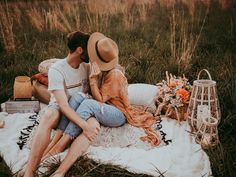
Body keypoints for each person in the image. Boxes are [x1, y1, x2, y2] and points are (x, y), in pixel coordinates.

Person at [49, 32, 161, 177]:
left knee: (88, 104)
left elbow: (101, 100)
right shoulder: (102, 70)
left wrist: (93, 81)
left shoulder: (114, 75)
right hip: (105, 108)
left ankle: (62, 144)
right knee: (77, 97)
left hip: (118, 114)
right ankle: (57, 139)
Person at [21, 31, 101, 177]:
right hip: (60, 109)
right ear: (80, 50)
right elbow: (63, 106)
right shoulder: (57, 70)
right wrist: (84, 126)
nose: (91, 54)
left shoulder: (87, 67)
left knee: (94, 123)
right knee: (49, 115)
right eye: (89, 50)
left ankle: (58, 168)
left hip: (80, 108)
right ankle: (29, 172)